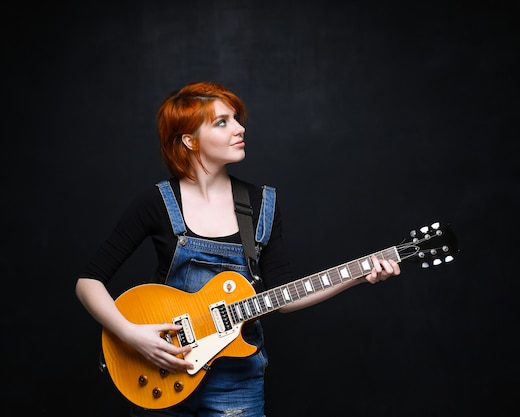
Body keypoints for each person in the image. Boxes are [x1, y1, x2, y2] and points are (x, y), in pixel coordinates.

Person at [75, 81, 401, 417]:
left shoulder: (261, 203)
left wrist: (360, 277)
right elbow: (88, 280)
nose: (239, 128)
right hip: (163, 369)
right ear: (190, 140)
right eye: (222, 122)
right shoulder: (156, 202)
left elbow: (282, 295)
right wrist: (132, 335)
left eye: (236, 118)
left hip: (236, 383)